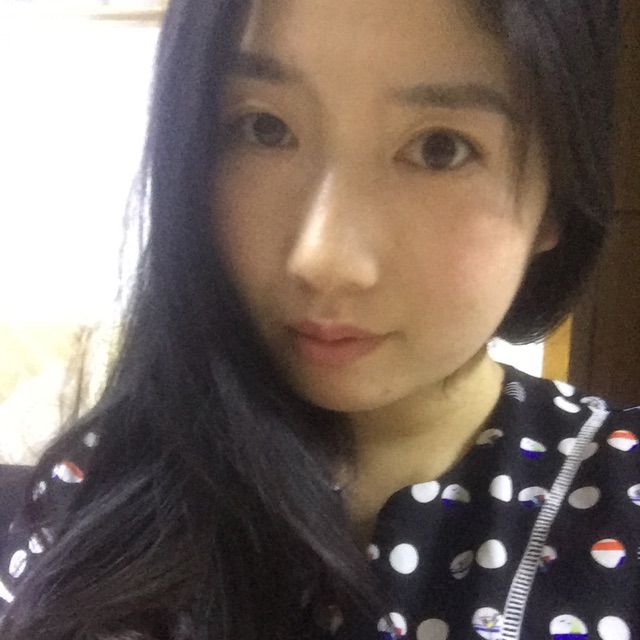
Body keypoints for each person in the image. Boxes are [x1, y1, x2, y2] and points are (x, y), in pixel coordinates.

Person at [0, 0, 635, 638]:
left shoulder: (621, 489)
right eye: (264, 128)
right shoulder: (95, 485)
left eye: (440, 149)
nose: (324, 259)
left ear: (556, 196)